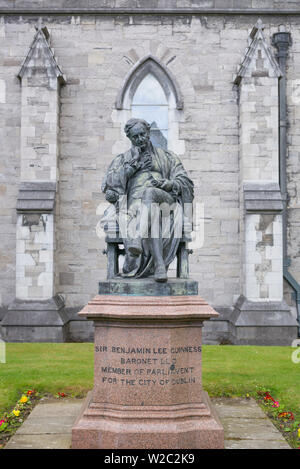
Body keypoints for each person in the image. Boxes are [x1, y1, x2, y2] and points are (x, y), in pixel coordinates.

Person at [101, 118, 194, 282]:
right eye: (135, 137)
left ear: (148, 132)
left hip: (166, 200)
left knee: (150, 192)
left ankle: (136, 237)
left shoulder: (167, 156)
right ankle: (159, 266)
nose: (140, 139)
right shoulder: (123, 160)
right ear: (130, 138)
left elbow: (185, 182)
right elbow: (109, 185)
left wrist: (169, 183)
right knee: (152, 211)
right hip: (136, 206)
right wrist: (130, 169)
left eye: (142, 135)